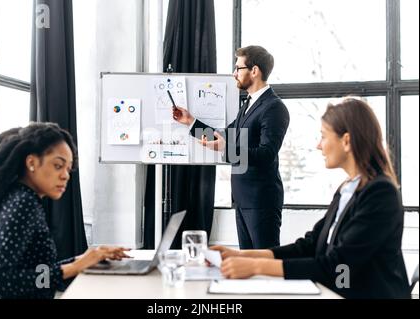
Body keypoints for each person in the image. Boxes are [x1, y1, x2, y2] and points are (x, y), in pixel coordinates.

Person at [210, 98, 411, 299]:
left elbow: (338, 266)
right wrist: (241, 255)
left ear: (347, 141)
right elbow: (311, 245)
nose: (318, 145)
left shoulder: (380, 194)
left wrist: (255, 266)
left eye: (323, 137)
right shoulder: (348, 188)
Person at [0, 122, 130, 299]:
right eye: (58, 165)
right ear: (32, 162)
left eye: (68, 169)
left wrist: (84, 259)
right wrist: (74, 267)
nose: (66, 175)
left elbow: (32, 272)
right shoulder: (23, 203)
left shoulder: (12, 197)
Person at [173, 45, 290, 249]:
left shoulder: (274, 107)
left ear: (254, 71)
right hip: (244, 198)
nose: (234, 73)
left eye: (238, 68)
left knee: (263, 262)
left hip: (261, 200)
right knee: (246, 261)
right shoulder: (249, 105)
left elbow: (266, 154)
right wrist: (190, 121)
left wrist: (225, 149)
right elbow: (224, 134)